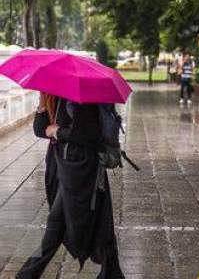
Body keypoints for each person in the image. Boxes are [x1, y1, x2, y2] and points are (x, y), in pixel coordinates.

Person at [17, 93, 124, 279]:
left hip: (83, 170)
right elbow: (40, 129)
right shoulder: (56, 97)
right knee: (100, 220)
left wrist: (57, 131)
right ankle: (112, 273)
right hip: (66, 168)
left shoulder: (81, 99)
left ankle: (27, 274)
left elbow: (90, 136)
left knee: (58, 222)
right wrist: (42, 103)